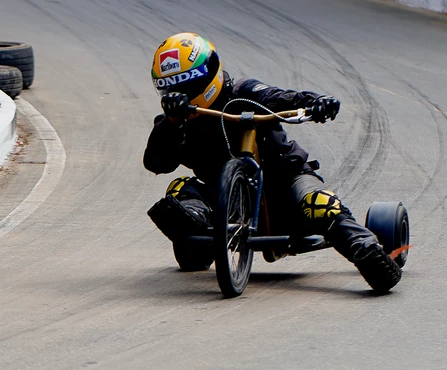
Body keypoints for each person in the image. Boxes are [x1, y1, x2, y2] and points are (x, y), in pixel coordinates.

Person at [143, 32, 402, 292]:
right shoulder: (176, 121)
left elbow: (280, 97)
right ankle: (197, 230)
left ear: (209, 74)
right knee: (178, 189)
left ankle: (365, 248)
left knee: (318, 203)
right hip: (222, 196)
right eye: (171, 89)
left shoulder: (244, 93)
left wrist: (315, 102)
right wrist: (173, 121)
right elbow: (156, 163)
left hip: (285, 182)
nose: (180, 95)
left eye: (186, 87)